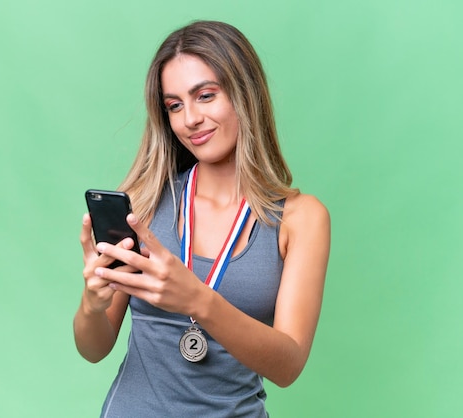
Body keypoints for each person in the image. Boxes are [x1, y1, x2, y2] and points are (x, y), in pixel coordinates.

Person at [73, 20, 330, 417]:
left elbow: (288, 365)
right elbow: (93, 349)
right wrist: (92, 303)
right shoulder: (144, 203)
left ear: (245, 94)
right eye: (174, 105)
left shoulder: (301, 218)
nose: (189, 119)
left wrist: (198, 299)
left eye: (205, 96)